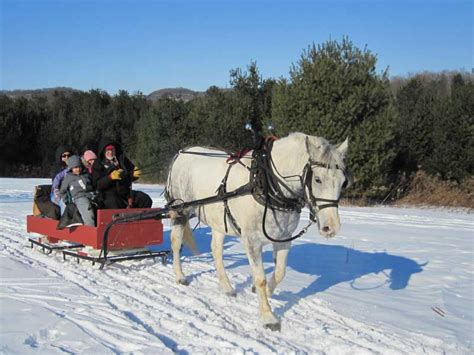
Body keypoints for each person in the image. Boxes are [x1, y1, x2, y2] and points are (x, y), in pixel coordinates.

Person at [91, 138, 152, 209]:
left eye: (112, 150)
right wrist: (110, 177)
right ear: (103, 151)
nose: (110, 152)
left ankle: (141, 218)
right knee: (114, 202)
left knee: (145, 199)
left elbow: (130, 173)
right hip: (108, 195)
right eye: (108, 150)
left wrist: (134, 175)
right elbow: (97, 185)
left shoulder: (122, 160)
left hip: (125, 193)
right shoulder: (98, 164)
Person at [59, 155, 96, 226]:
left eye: (79, 167)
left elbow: (92, 185)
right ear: (71, 168)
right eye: (75, 168)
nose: (78, 169)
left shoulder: (86, 175)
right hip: (79, 197)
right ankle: (90, 229)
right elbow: (62, 191)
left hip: (91, 195)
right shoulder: (69, 178)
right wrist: (67, 201)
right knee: (87, 208)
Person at [51, 146, 74, 211]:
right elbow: (55, 183)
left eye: (69, 155)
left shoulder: (75, 167)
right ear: (60, 157)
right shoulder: (56, 168)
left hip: (72, 192)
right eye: (64, 156)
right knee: (64, 203)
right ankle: (64, 219)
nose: (67, 157)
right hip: (57, 193)